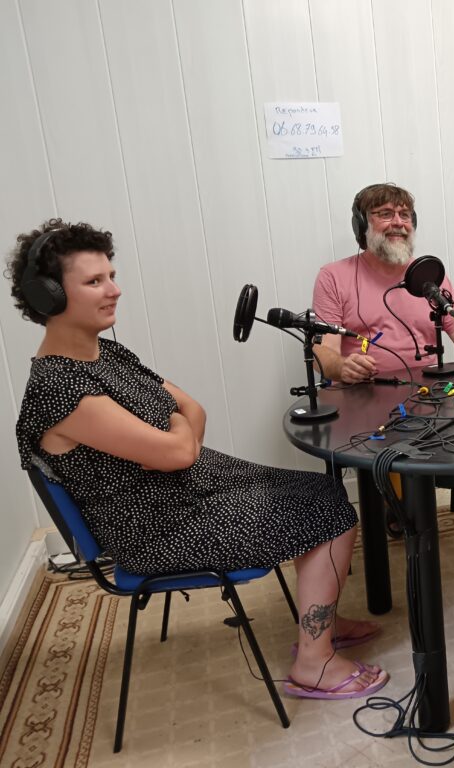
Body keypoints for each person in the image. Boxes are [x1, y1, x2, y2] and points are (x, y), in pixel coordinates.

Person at [10, 219, 387, 701]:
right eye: (94, 281)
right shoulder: (58, 388)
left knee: (325, 488)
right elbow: (181, 444)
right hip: (157, 527)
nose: (115, 290)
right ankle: (314, 661)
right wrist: (174, 442)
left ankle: (320, 619)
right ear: (49, 298)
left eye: (111, 275)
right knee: (327, 511)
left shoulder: (105, 355)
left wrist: (173, 442)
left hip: (186, 486)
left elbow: (194, 411)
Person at [311, 183, 454, 383]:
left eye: (405, 215)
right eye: (385, 214)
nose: (398, 223)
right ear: (361, 224)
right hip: (363, 393)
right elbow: (322, 350)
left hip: (426, 393)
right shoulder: (333, 276)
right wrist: (342, 367)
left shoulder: (428, 273)